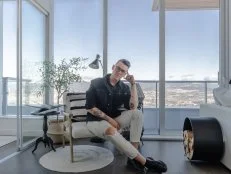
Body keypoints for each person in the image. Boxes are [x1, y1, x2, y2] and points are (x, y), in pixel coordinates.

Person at [85, 59, 167, 173]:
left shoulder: (123, 87)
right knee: (111, 130)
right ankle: (145, 162)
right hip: (95, 121)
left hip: (114, 119)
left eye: (123, 71)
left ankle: (132, 159)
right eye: (118, 68)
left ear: (125, 74)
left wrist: (133, 84)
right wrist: (110, 120)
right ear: (113, 67)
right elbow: (90, 107)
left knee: (137, 114)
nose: (119, 72)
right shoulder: (96, 83)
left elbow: (133, 107)